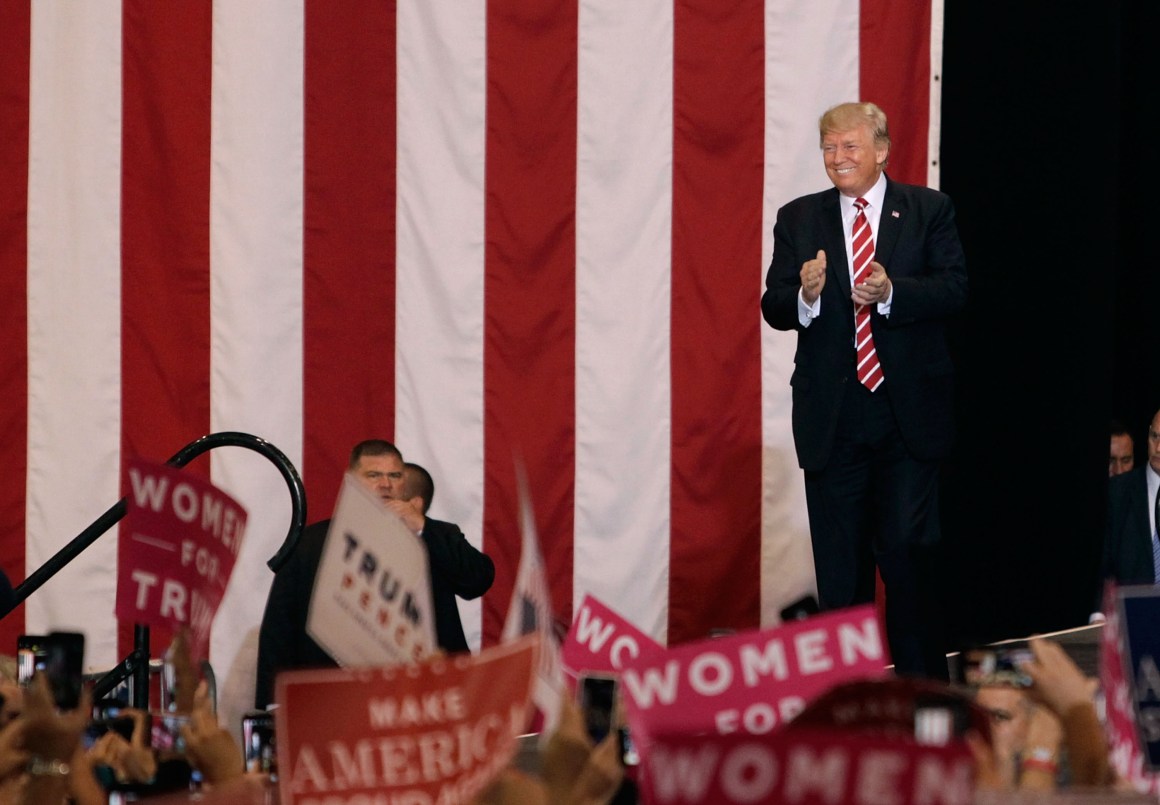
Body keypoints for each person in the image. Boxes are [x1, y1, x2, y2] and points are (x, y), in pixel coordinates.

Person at [761, 101, 967, 679]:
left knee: (906, 557)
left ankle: (924, 696)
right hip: (835, 420)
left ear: (881, 149)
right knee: (840, 574)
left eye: (849, 146)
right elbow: (774, 306)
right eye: (828, 147)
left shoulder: (928, 211)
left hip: (907, 420)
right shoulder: (799, 219)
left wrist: (892, 292)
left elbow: (954, 288)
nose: (837, 157)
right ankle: (846, 705)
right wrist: (804, 293)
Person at [255, 439, 496, 708]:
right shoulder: (308, 544)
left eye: (394, 475)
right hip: (334, 702)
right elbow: (278, 631)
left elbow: (479, 580)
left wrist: (421, 527)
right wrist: (273, 708)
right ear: (351, 480)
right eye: (373, 475)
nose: (386, 484)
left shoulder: (434, 536)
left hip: (423, 702)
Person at [1103, 407, 1160, 587]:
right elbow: (1101, 562)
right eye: (1154, 437)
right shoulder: (1117, 491)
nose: (1158, 448)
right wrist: (1098, 612)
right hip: (1132, 610)